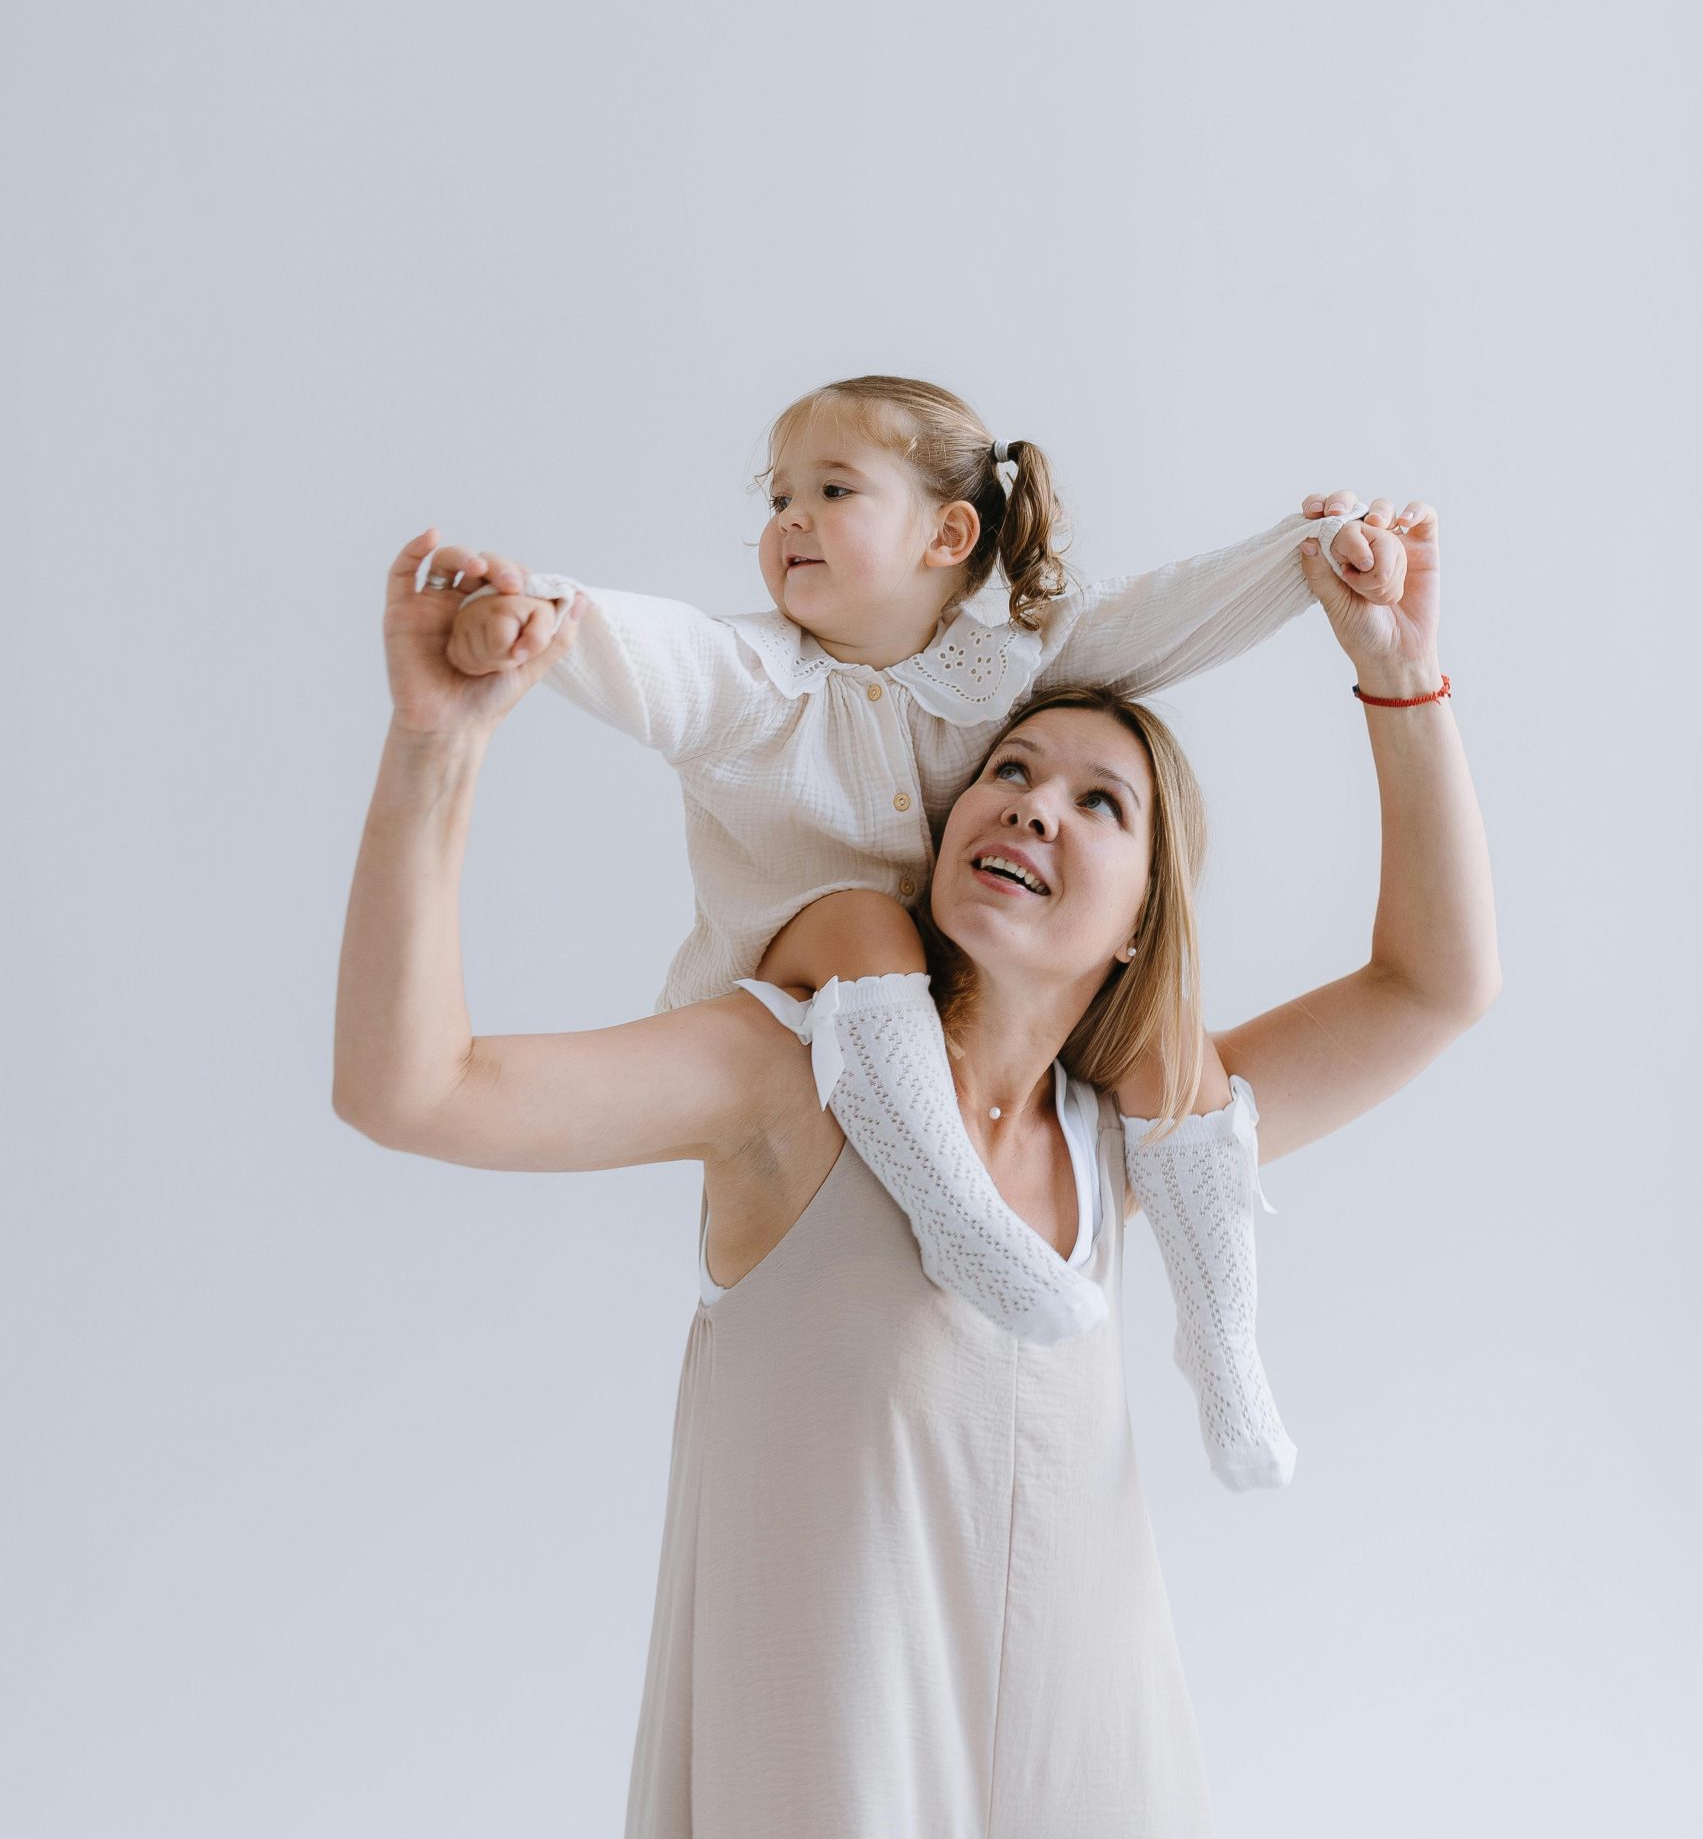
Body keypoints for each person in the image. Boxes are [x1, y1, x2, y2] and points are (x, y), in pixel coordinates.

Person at [334, 495, 1498, 1839]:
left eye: (1099, 802)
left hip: (1096, 1803)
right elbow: (416, 1089)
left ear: (1139, 919)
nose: (1032, 803)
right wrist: (437, 748)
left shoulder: (1125, 1140)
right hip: (835, 1820)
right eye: (1008, 770)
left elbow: (1434, 986)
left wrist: (1398, 674)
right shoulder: (787, 1081)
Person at [430, 369, 1399, 1482]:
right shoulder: (747, 682)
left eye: (831, 490)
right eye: (778, 497)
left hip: (956, 997)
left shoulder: (1007, 668)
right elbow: (650, 649)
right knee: (860, 917)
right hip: (798, 994)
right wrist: (540, 617)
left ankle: (1224, 1351)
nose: (790, 519)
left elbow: (1165, 614)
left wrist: (1310, 554)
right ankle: (962, 1220)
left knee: (1162, 1037)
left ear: (947, 534)